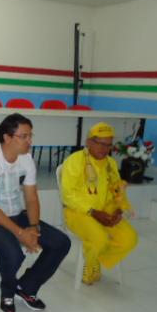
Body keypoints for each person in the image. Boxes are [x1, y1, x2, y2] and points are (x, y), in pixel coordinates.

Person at [0, 113, 71, 312]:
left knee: (61, 242)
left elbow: (31, 198)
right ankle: (7, 292)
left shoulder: (26, 159)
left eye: (30, 136)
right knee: (13, 252)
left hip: (17, 214)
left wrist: (33, 228)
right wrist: (20, 233)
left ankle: (26, 287)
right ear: (7, 137)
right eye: (23, 136)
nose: (29, 141)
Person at [60, 121, 138, 285]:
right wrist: (94, 212)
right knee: (100, 239)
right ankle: (91, 262)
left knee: (130, 238)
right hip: (78, 212)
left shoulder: (111, 163)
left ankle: (95, 257)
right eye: (100, 144)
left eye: (108, 145)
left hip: (106, 211)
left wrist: (118, 209)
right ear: (89, 142)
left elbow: (117, 190)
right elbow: (68, 195)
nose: (104, 149)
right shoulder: (75, 161)